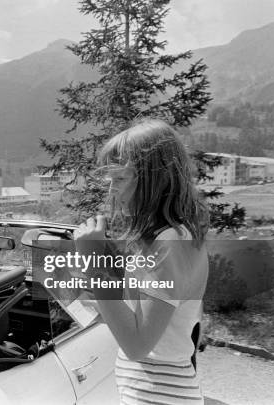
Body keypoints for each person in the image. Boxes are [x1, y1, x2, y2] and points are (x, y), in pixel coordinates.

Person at [73, 119, 209, 404]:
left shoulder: (169, 243)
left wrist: (96, 262)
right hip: (155, 390)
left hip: (158, 394)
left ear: (154, 180)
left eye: (120, 179)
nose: (112, 191)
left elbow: (137, 345)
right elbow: (134, 316)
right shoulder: (174, 236)